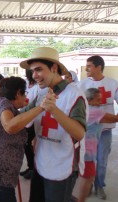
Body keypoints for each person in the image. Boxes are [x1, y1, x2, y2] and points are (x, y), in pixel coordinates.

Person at [20, 47, 87, 202]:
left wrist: (54, 110)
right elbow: (22, 115)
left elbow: (79, 133)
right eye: (32, 71)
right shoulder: (41, 93)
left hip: (63, 166)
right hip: (41, 162)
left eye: (39, 70)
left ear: (54, 68)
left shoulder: (75, 95)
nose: (34, 75)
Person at [0, 76, 44, 202]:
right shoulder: (3, 104)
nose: (25, 97)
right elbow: (10, 126)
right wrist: (41, 108)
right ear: (18, 93)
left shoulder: (7, 106)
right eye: (25, 93)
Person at [78, 55, 118, 200]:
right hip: (88, 132)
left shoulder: (112, 84)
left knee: (102, 161)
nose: (86, 68)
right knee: (87, 160)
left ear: (98, 67)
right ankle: (86, 185)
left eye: (89, 65)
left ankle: (99, 185)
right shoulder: (81, 85)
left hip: (105, 130)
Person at [72, 88, 118, 202]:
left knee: (82, 175)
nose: (100, 102)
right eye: (98, 100)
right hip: (88, 151)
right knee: (88, 176)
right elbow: (116, 118)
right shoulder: (95, 112)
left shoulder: (82, 109)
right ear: (89, 100)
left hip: (79, 147)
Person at [19, 69, 39, 180]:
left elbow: (32, 104)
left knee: (29, 145)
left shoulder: (39, 87)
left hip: (33, 119)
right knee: (27, 146)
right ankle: (31, 166)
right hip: (27, 118)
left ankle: (33, 168)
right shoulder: (28, 85)